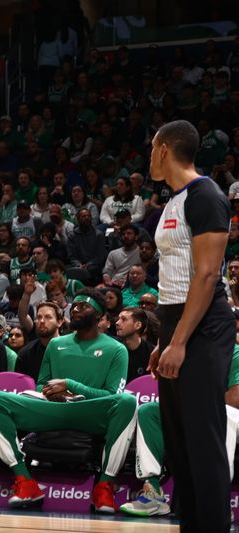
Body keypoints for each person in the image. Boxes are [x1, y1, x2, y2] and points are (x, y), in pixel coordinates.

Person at [148, 120, 235, 532]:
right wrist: (165, 338)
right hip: (176, 321)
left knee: (203, 439)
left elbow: (205, 276)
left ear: (164, 148)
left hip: (203, 325)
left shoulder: (207, 196)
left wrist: (180, 340)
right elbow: (176, 274)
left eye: (152, 148)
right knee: (179, 442)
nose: (149, 156)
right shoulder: (173, 200)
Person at [0, 289, 137, 513]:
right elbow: (40, 384)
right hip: (53, 408)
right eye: (74, 305)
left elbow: (112, 395)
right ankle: (25, 480)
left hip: (89, 413)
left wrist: (71, 385)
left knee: (127, 402)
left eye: (84, 306)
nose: (75, 309)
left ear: (100, 316)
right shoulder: (56, 345)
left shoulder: (117, 349)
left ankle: (104, 486)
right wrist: (49, 393)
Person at [121, 345, 239, 518]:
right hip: (199, 415)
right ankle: (153, 492)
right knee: (150, 412)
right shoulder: (186, 352)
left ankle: (217, 500)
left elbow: (234, 399)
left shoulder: (232, 351)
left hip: (230, 414)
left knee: (222, 414)